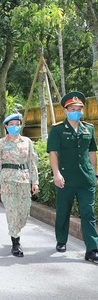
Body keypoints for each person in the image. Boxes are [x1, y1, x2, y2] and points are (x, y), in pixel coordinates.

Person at [47, 91, 98, 262]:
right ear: (65, 111)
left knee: (88, 213)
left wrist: (95, 174)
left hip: (85, 178)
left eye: (79, 108)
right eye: (73, 108)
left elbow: (92, 152)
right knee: (63, 211)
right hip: (65, 179)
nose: (76, 111)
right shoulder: (57, 130)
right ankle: (61, 240)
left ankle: (92, 249)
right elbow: (53, 153)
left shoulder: (89, 129)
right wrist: (56, 174)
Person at [0, 113, 39, 257]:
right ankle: (16, 243)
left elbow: (32, 162)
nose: (14, 127)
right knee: (12, 212)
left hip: (24, 180)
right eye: (11, 124)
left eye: (17, 124)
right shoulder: (0, 143)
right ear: (6, 126)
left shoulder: (27, 142)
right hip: (7, 181)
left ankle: (16, 229)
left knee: (24, 212)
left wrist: (35, 181)